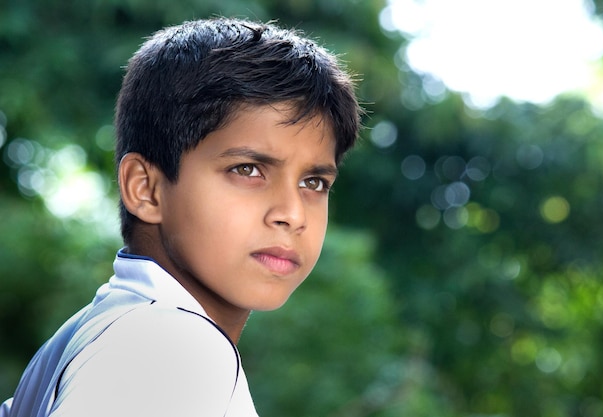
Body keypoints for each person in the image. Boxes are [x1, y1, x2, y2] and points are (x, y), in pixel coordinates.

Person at [0, 17, 361, 416]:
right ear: (145, 188)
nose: (292, 214)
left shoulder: (92, 333)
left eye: (313, 183)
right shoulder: (171, 346)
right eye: (247, 170)